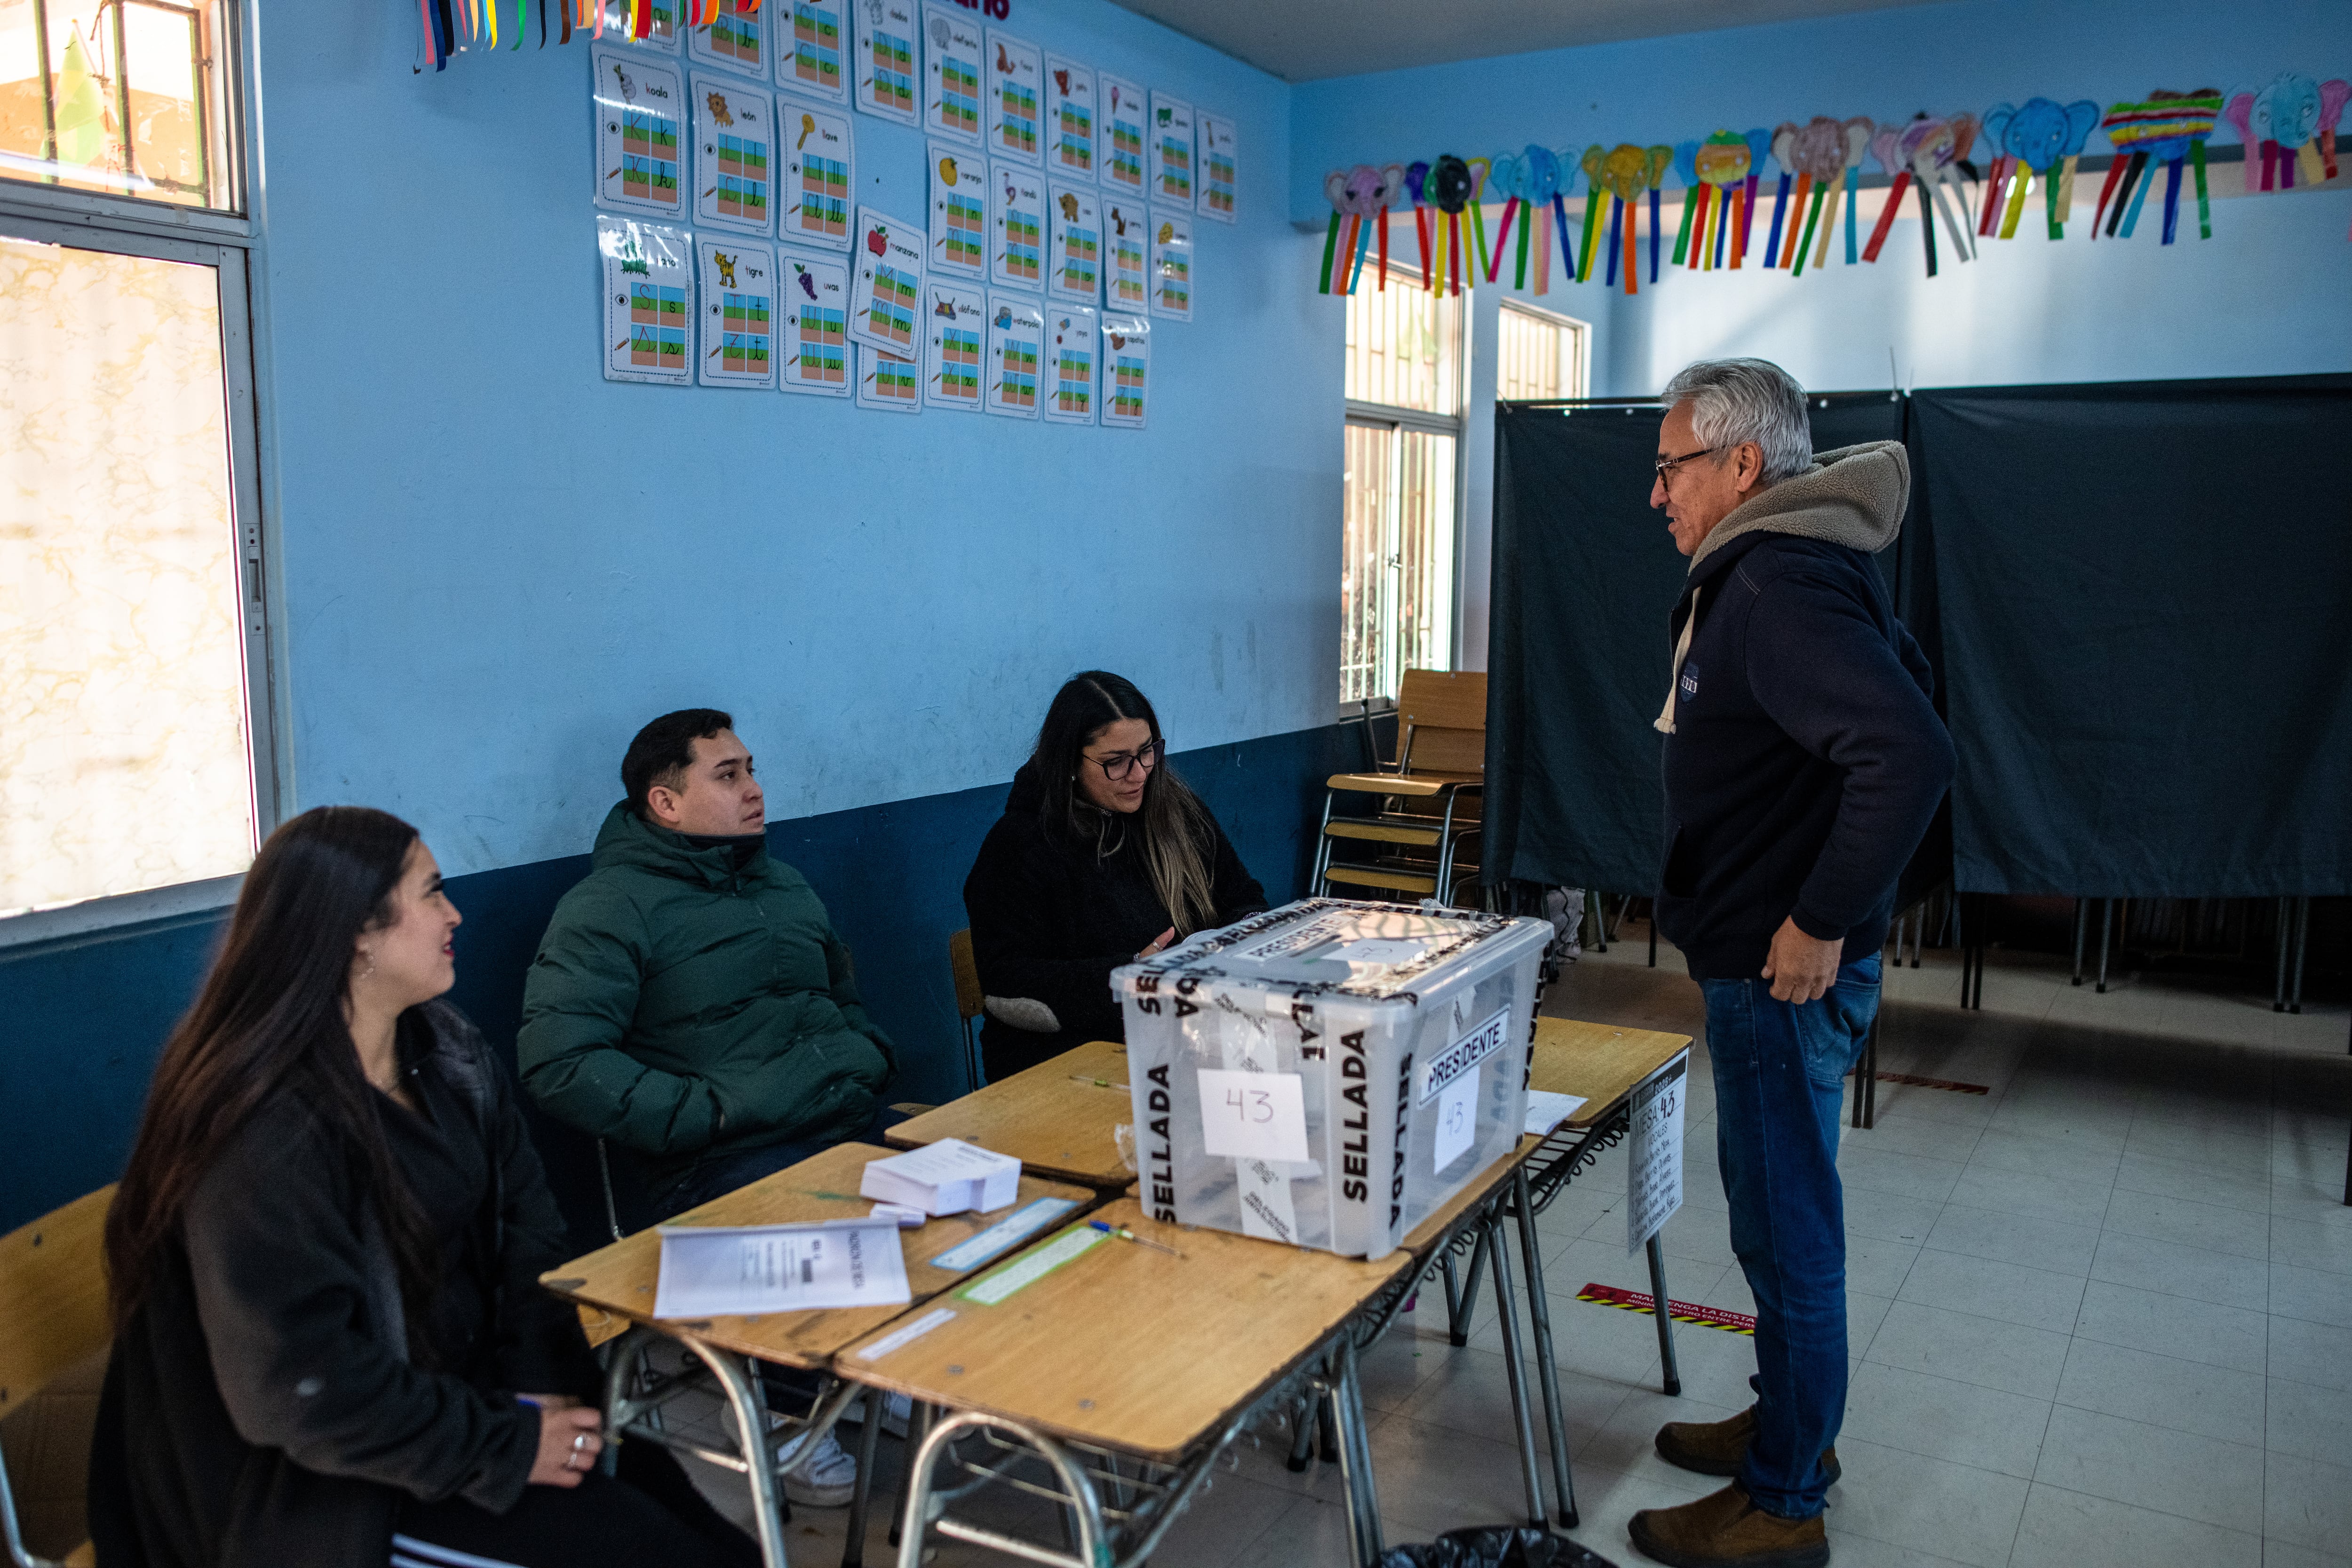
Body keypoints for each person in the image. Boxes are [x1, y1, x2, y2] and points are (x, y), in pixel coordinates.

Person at [88, 806, 758, 1568]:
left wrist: (541, 1394)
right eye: (432, 892)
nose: (456, 912)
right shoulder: (263, 1129)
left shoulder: (448, 1052)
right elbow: (296, 1388)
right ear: (356, 933)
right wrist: (503, 1444)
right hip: (305, 1491)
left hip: (441, 1419)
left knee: (700, 1531)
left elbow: (527, 1234)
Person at [1626, 360, 1953, 1568]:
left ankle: (1782, 1505)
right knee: (1776, 1224)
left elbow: (1906, 751)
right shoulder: (1796, 563)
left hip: (1781, 974)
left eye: (1670, 467)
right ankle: (1790, 1431)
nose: (1656, 494)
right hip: (1772, 962)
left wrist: (1819, 919)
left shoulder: (1776, 583)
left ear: (1740, 465)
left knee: (1789, 1230)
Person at [516, 708, 897, 1506]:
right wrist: (707, 1115)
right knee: (815, 1220)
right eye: (728, 776)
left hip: (838, 1120)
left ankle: (876, 1366)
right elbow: (559, 1062)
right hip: (717, 1160)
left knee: (990, 1194)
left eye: (751, 768)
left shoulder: (780, 882)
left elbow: (839, 995)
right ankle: (787, 1413)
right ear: (666, 802)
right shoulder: (608, 907)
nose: (755, 790)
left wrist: (865, 1054)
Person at [964, 671, 1267, 1082]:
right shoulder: (1019, 846)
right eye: (1115, 762)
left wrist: (1238, 942)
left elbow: (1245, 899)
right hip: (1063, 1063)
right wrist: (1131, 975)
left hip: (1184, 1038)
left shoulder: (1177, 811)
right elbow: (1008, 987)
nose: (1140, 773)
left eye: (1147, 752)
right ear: (1070, 761)